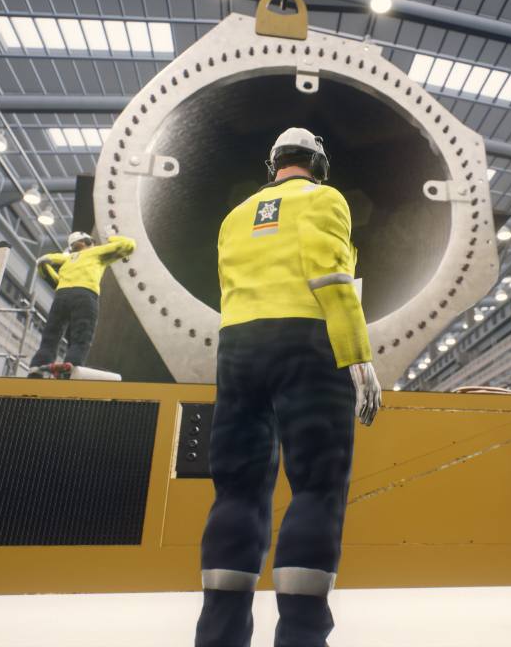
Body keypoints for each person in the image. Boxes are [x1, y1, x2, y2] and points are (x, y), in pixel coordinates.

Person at [195, 127, 381, 647]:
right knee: (317, 489)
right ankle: (301, 638)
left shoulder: (234, 217)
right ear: (319, 164)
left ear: (271, 164)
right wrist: (357, 355)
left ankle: (218, 638)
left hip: (237, 350)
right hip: (307, 344)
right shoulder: (324, 199)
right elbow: (331, 277)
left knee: (236, 490)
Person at [28, 230, 136, 376]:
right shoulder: (95, 252)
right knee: (81, 336)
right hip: (85, 295)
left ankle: (37, 367)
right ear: (88, 242)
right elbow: (128, 245)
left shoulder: (67, 259)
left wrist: (60, 280)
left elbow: (42, 262)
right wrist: (110, 236)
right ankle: (71, 368)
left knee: (51, 336)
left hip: (61, 296)